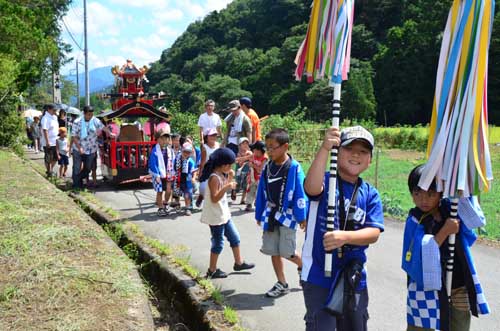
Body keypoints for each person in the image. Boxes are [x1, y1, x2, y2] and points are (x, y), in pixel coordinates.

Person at [301, 126, 384, 331]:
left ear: (370, 160)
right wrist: (325, 148)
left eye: (363, 151)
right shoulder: (326, 181)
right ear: (337, 153)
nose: (356, 155)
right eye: (349, 148)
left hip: (353, 277)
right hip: (319, 275)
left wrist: (344, 237)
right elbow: (311, 188)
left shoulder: (370, 194)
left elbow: (373, 233)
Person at [402, 164, 490, 331]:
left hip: (458, 282)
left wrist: (461, 186)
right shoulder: (414, 220)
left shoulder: (451, 209)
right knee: (421, 325)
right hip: (426, 286)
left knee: (459, 324)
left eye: (431, 194)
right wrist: (445, 231)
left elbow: (472, 223)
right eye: (417, 193)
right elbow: (419, 253)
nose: (424, 199)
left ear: (441, 193)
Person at [255, 128, 307, 298]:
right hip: (270, 214)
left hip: (288, 215)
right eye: (267, 147)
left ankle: (303, 266)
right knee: (273, 250)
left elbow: (300, 192)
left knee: (286, 251)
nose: (269, 151)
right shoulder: (267, 167)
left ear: (285, 147)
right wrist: (259, 213)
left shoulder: (293, 167)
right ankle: (282, 282)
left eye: (272, 147)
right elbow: (261, 190)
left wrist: (302, 216)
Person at [199, 147, 255, 278]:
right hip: (216, 216)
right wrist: (227, 186)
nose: (230, 167)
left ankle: (239, 262)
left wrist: (229, 179)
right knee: (218, 243)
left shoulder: (221, 174)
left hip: (223, 214)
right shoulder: (214, 178)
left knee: (235, 237)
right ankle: (212, 270)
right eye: (229, 165)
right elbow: (214, 198)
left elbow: (224, 190)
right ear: (222, 165)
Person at [72, 105, 115, 189]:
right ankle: (76, 185)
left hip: (91, 149)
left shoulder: (95, 120)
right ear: (84, 114)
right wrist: (79, 147)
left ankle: (78, 179)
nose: (90, 116)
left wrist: (109, 133)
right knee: (77, 167)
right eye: (88, 114)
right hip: (78, 148)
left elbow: (103, 127)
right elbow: (73, 136)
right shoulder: (77, 122)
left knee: (88, 168)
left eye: (91, 114)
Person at [148, 127, 174, 217]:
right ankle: (160, 207)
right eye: (162, 139)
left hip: (168, 173)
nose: (164, 141)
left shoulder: (170, 150)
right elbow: (153, 164)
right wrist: (157, 174)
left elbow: (172, 161)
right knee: (159, 191)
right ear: (158, 139)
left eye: (166, 138)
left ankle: (165, 203)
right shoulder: (155, 151)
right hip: (158, 174)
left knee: (169, 190)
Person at [196, 128, 220, 208]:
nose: (213, 137)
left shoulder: (218, 145)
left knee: (215, 187)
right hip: (207, 169)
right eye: (211, 135)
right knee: (203, 187)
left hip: (216, 169)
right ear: (207, 137)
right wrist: (200, 174)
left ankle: (210, 204)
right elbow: (202, 162)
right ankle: (201, 196)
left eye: (214, 135)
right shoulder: (204, 147)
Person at [174, 143, 197, 216]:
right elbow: (174, 168)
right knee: (176, 192)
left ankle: (188, 208)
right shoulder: (177, 159)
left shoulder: (190, 161)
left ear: (190, 153)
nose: (186, 154)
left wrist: (193, 178)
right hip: (178, 179)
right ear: (182, 150)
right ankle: (177, 204)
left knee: (187, 194)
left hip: (187, 180)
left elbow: (194, 170)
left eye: (188, 152)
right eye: (185, 151)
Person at [246, 140, 267, 212]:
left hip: (260, 178)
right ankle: (249, 203)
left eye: (254, 150)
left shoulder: (264, 159)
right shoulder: (254, 156)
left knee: (259, 191)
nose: (253, 151)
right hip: (252, 177)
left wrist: (253, 165)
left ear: (260, 151)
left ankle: (258, 203)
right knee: (250, 190)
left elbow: (260, 170)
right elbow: (248, 160)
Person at [232, 137, 253, 204]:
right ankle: (234, 192)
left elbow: (251, 159)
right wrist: (245, 158)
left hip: (247, 171)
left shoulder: (249, 152)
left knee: (245, 185)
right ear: (240, 145)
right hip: (239, 171)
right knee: (237, 183)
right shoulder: (238, 153)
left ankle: (243, 199)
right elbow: (237, 161)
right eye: (243, 143)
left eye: (246, 143)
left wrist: (242, 159)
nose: (245, 145)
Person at [41, 104, 59, 177]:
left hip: (55, 141)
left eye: (55, 110)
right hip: (48, 141)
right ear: (48, 109)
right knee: (48, 158)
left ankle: (50, 170)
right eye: (53, 110)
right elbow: (45, 130)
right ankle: (49, 171)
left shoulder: (54, 117)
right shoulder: (45, 118)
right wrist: (47, 141)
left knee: (55, 157)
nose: (55, 111)